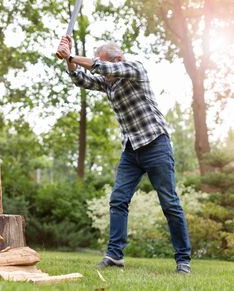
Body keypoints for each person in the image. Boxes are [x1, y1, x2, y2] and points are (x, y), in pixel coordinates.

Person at [57, 36, 192, 274]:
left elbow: (101, 67)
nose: (103, 71)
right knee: (118, 200)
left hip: (156, 143)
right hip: (131, 150)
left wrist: (70, 55)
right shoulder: (109, 83)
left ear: (118, 59)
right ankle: (115, 256)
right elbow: (81, 79)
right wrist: (69, 62)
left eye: (104, 63)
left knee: (169, 203)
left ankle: (183, 260)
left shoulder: (134, 68)